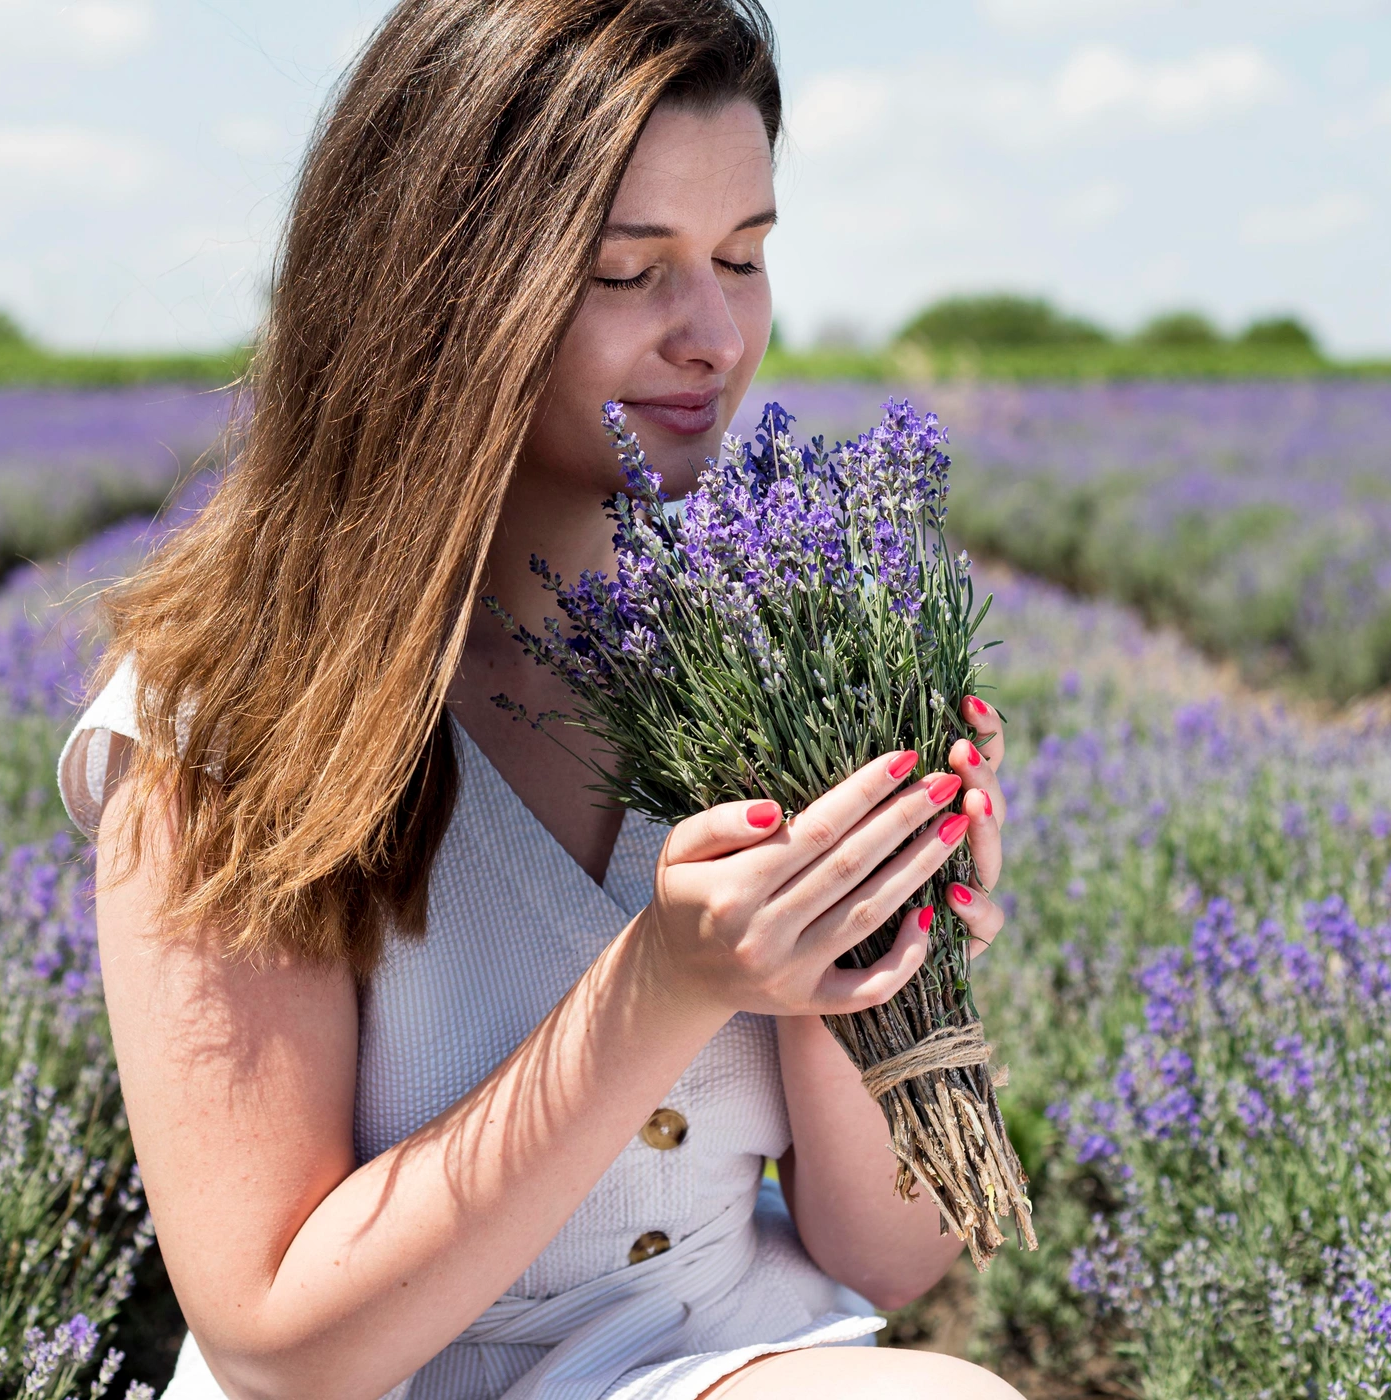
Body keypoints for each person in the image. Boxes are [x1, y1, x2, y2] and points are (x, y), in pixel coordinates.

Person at [58, 2, 1023, 1396]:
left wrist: (869, 959)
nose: (714, 333)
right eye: (632, 274)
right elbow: (277, 1346)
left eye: (744, 257)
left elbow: (884, 1257)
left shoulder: (788, 659)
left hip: (706, 1359)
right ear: (442, 291)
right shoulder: (232, 716)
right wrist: (667, 983)